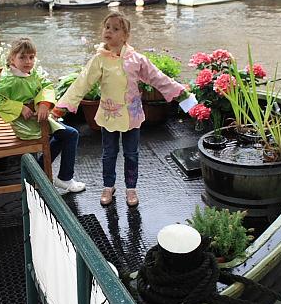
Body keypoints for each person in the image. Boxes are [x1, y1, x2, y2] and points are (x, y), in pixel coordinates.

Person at [52, 13, 197, 207]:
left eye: (115, 28)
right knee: (108, 153)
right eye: (107, 27)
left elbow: (157, 77)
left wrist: (179, 91)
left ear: (125, 35)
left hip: (132, 115)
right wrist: (62, 106)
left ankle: (131, 188)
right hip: (109, 115)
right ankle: (108, 186)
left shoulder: (136, 59)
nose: (109, 31)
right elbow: (82, 83)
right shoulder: (99, 60)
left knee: (131, 153)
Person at [0, 37, 86, 194]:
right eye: (22, 57)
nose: (28, 61)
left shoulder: (29, 73)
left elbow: (47, 85)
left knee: (66, 135)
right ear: (12, 59)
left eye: (31, 57)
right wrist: (19, 107)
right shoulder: (11, 80)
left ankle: (40, 171)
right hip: (27, 125)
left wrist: (44, 103)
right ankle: (62, 177)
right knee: (70, 134)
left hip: (36, 121)